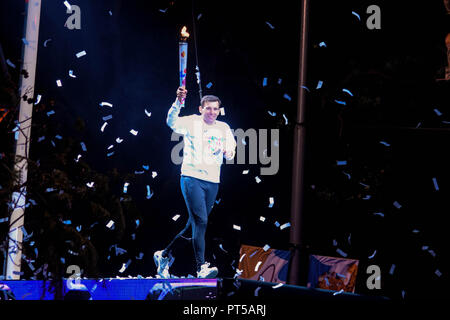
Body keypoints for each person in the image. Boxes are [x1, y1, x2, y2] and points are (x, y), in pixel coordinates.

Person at [153, 86, 236, 278]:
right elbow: (171, 121)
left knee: (194, 225)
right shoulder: (191, 122)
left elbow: (231, 150)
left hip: (212, 181)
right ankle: (201, 267)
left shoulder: (223, 128)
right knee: (201, 221)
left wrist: (227, 152)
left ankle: (164, 255)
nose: (212, 112)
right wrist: (177, 102)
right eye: (208, 108)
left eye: (215, 109)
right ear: (201, 109)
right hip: (191, 178)